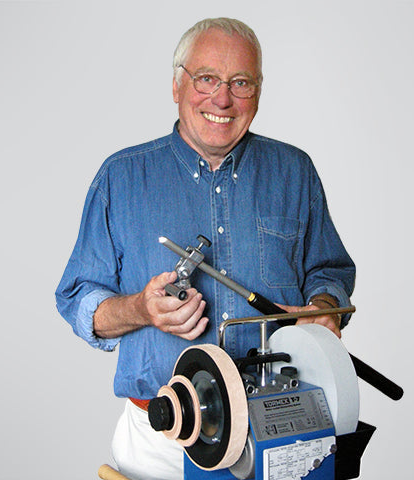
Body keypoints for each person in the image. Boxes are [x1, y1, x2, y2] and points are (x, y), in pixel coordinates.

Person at [55, 17, 355, 480]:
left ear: (258, 92)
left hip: (279, 430)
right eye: (207, 79)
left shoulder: (295, 171)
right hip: (164, 443)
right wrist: (140, 309)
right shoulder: (120, 178)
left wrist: (323, 307)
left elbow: (329, 271)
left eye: (241, 83)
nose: (222, 99)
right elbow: (77, 301)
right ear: (177, 85)